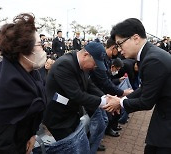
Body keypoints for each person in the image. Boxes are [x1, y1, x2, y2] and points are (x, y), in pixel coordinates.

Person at [103, 18, 171, 154]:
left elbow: (146, 102)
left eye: (120, 44)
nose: (119, 50)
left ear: (135, 38)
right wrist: (121, 98)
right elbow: (145, 88)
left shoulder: (153, 59)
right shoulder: (151, 54)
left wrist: (120, 103)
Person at [43, 42, 113, 153]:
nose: (95, 67)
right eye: (95, 63)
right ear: (86, 55)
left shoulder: (81, 65)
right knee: (70, 148)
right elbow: (77, 95)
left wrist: (104, 96)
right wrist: (104, 102)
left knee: (79, 143)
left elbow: (90, 86)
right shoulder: (65, 64)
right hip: (58, 117)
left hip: (71, 113)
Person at [0, 13, 47, 154]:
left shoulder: (31, 71)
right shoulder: (6, 86)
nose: (43, 50)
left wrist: (32, 134)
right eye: (39, 45)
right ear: (23, 50)